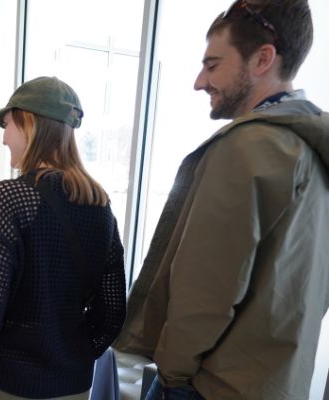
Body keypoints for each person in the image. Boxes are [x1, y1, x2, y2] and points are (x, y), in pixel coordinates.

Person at [114, 1, 329, 399]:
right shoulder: (313, 152)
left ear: (263, 58)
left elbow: (206, 293)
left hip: (213, 386)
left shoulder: (249, 147)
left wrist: (173, 373)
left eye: (212, 65)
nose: (199, 81)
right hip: (277, 383)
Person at [0, 77, 126, 399]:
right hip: (74, 384)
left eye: (7, 125)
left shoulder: (9, 197)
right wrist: (75, 355)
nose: (3, 139)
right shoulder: (99, 204)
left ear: (29, 124)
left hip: (4, 383)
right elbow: (112, 310)